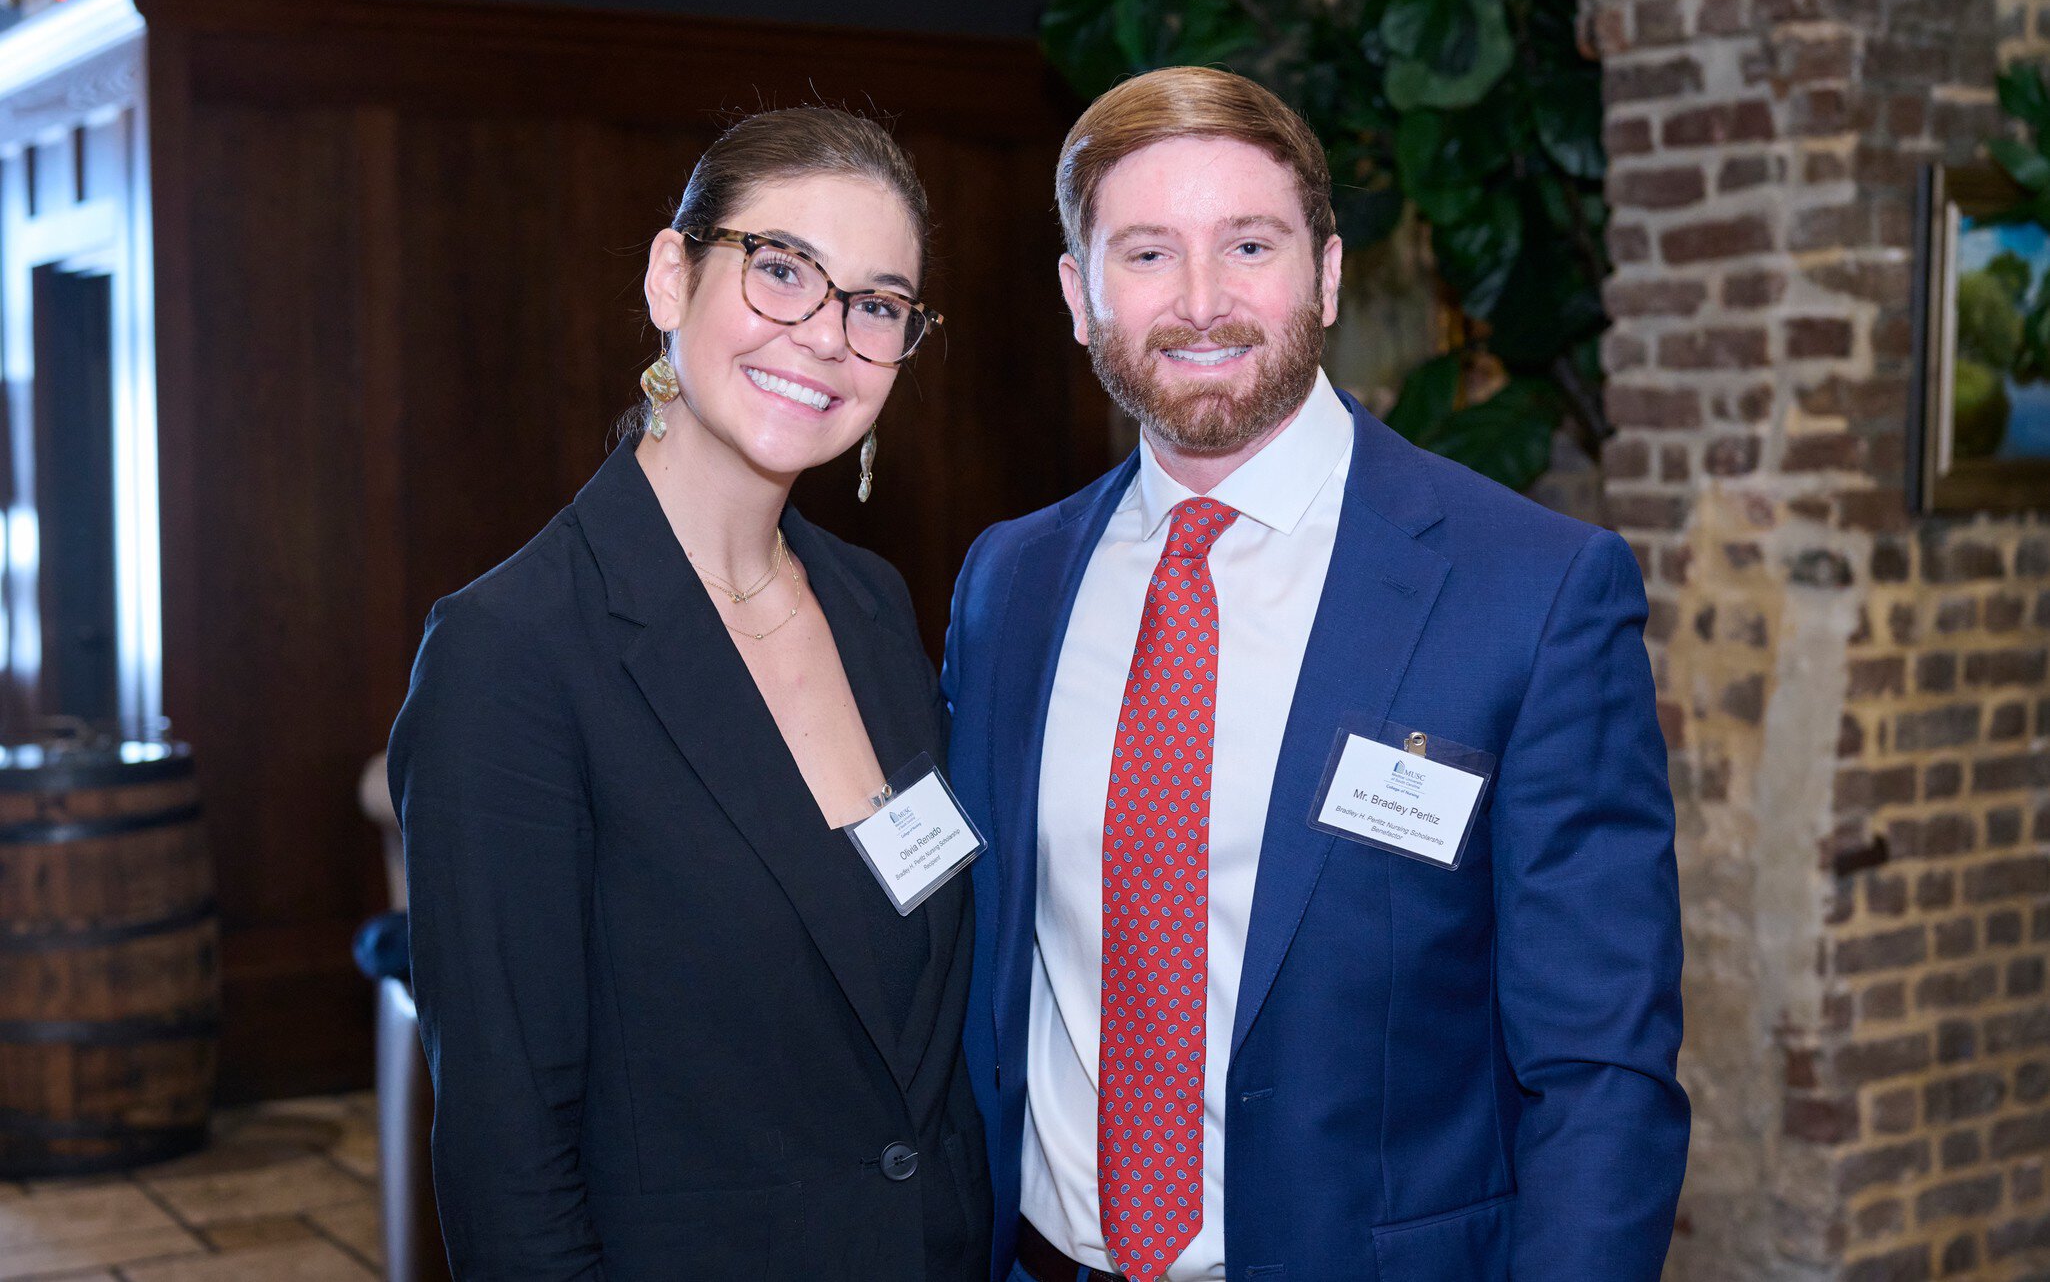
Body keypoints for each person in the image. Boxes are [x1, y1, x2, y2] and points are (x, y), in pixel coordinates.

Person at [942, 67, 1689, 1282]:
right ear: (1079, 297)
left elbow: (1599, 1068)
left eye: (1249, 244)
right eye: (1144, 254)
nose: (1200, 302)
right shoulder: (1008, 584)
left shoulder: (1531, 591)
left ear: (1328, 275)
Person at [388, 106, 990, 1281]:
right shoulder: (510, 651)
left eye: (874, 304)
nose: (826, 335)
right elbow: (507, 1152)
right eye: (781, 272)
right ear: (673, 274)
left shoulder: (870, 605)